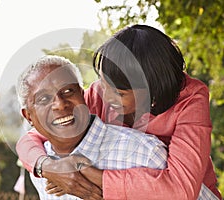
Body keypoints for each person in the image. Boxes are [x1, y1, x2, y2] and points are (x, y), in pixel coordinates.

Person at [16, 25, 222, 199]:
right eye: (103, 84)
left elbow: (181, 190)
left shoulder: (190, 100)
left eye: (119, 94)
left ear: (151, 92)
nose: (105, 97)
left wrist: (84, 171)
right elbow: (34, 137)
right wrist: (46, 166)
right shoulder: (101, 92)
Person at [17, 55, 167, 200]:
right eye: (44, 99)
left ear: (83, 96)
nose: (60, 104)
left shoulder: (145, 153)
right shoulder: (41, 170)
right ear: (28, 116)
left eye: (68, 91)